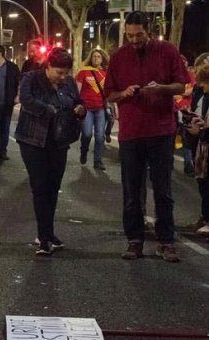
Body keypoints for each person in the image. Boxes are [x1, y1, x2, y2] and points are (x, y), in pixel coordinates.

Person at [105, 11, 189, 262]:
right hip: (131, 133)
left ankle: (166, 240)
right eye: (129, 35)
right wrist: (124, 93)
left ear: (148, 30)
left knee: (163, 190)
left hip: (161, 130)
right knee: (132, 189)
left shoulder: (168, 50)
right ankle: (134, 239)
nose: (134, 39)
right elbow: (109, 94)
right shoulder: (118, 57)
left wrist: (160, 88)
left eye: (138, 34)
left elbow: (181, 86)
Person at [15, 48, 85, 255]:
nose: (62, 77)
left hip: (59, 141)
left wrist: (81, 109)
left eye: (65, 73)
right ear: (48, 67)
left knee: (53, 188)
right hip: (33, 141)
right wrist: (48, 110)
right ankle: (43, 237)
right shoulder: (31, 78)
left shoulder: (69, 83)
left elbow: (78, 101)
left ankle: (48, 232)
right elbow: (25, 100)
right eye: (58, 72)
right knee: (40, 186)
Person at [76, 48, 110, 170]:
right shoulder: (83, 72)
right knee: (87, 133)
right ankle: (83, 151)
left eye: (98, 57)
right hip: (87, 109)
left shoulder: (106, 73)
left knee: (100, 136)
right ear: (90, 58)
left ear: (102, 59)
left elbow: (109, 91)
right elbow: (77, 90)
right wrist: (77, 104)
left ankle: (98, 161)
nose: (96, 58)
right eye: (94, 56)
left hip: (100, 108)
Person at [185, 63, 209, 236]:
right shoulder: (203, 94)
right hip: (202, 145)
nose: (201, 86)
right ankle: (205, 217)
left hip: (205, 142)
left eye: (204, 83)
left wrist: (201, 131)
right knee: (203, 182)